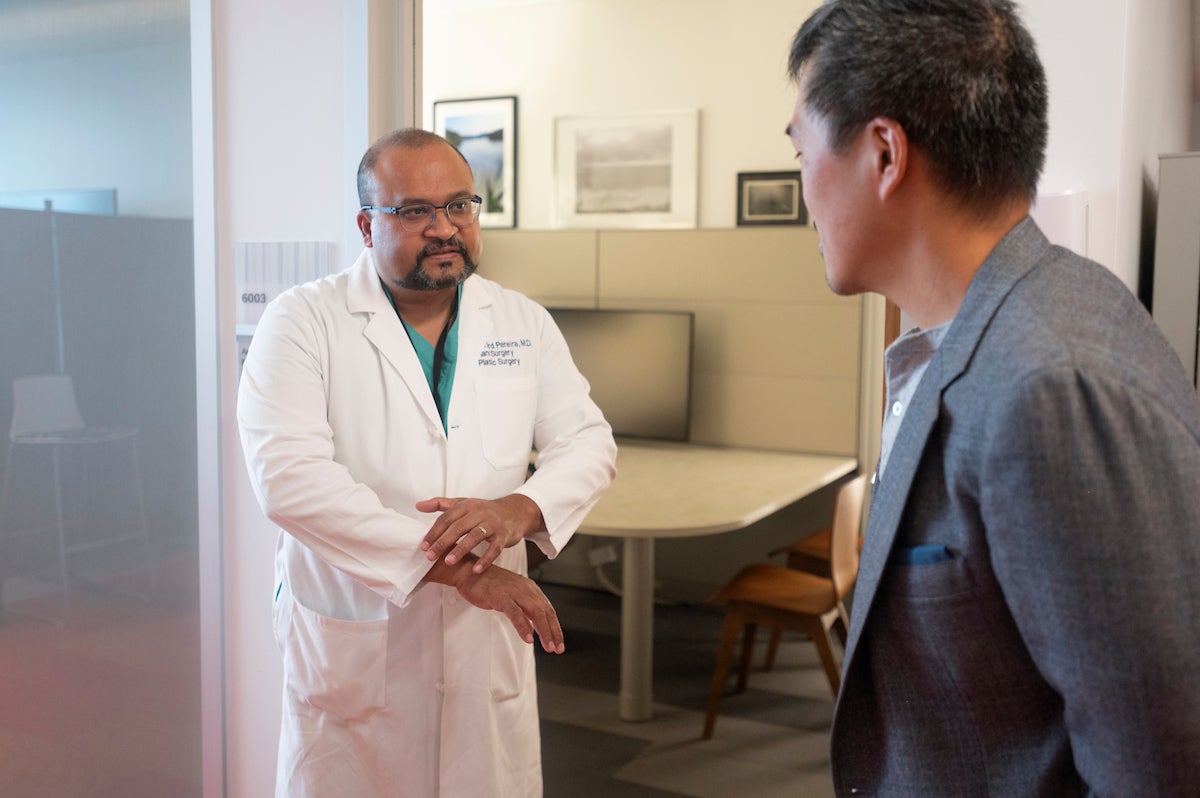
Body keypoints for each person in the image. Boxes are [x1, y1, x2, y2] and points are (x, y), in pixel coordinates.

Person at [785, 1, 1200, 795]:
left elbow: (1157, 764)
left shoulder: (1051, 385)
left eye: (801, 149)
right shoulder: (981, 337)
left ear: (882, 154)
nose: (802, 186)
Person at [237, 128, 617, 797]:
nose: (445, 228)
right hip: (359, 643)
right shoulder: (301, 322)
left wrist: (514, 511)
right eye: (415, 211)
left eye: (460, 206)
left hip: (482, 649)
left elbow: (586, 442)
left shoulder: (520, 322)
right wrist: (461, 569)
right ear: (366, 224)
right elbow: (290, 482)